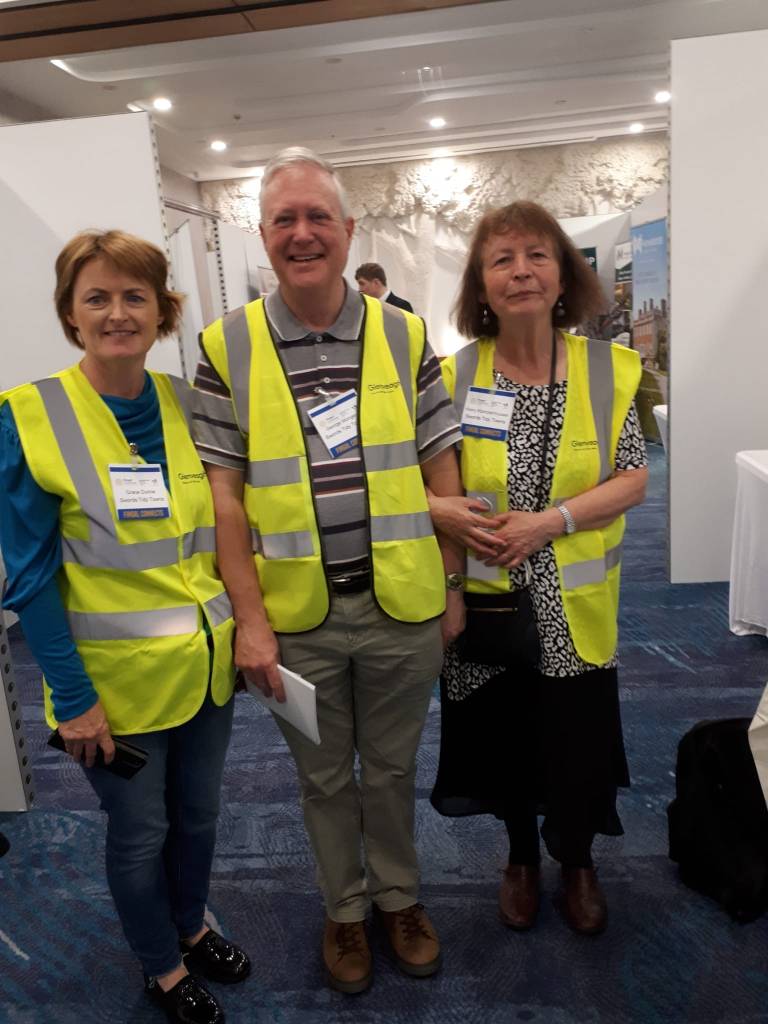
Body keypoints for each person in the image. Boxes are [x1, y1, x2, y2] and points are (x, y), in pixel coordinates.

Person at [192, 146, 464, 993]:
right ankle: (344, 910)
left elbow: (441, 466)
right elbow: (223, 499)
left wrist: (454, 585)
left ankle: (399, 898)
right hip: (294, 618)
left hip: (403, 606)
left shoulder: (404, 334)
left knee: (390, 770)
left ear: (348, 230)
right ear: (263, 234)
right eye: (285, 219)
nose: (302, 233)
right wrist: (250, 621)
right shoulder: (225, 346)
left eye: (318, 217)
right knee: (320, 780)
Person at [0, 230, 249, 1024]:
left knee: (200, 818)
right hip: (112, 686)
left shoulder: (185, 404)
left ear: (162, 310)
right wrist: (72, 700)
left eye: (135, 296)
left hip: (206, 670)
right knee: (140, 834)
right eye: (97, 297)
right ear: (70, 314)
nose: (117, 313)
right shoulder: (29, 415)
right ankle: (160, 966)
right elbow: (31, 575)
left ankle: (192, 925)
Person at [428, 201, 647, 935]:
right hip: (484, 603)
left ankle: (577, 858)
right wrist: (447, 568)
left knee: (576, 742)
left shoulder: (608, 368)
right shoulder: (452, 378)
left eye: (537, 256)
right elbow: (428, 489)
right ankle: (520, 856)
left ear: (563, 275)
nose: (520, 271)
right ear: (480, 286)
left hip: (572, 607)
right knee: (502, 741)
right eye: (502, 259)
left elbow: (633, 479)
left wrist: (551, 522)